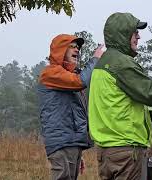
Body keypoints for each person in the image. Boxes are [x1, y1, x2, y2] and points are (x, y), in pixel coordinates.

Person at [88, 12, 152, 180]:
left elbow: (115, 106)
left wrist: (149, 114)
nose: (139, 37)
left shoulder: (102, 63)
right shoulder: (121, 63)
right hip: (126, 151)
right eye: (135, 32)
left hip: (106, 151)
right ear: (123, 34)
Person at [38, 34, 103, 180]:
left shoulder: (68, 76)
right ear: (60, 51)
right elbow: (81, 81)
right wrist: (95, 59)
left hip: (71, 143)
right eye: (72, 47)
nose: (77, 50)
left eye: (78, 47)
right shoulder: (51, 73)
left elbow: (77, 112)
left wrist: (77, 151)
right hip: (61, 143)